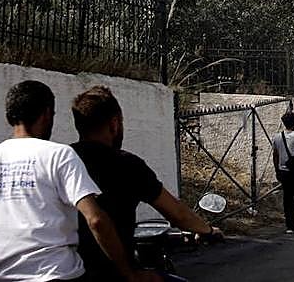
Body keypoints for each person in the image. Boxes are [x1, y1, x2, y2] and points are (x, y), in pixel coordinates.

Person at [0, 79, 160, 282]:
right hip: (54, 274)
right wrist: (129, 273)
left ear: (9, 116)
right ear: (46, 114)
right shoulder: (59, 155)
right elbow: (96, 220)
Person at [70, 86, 222, 279]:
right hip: (115, 273)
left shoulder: (62, 161)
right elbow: (177, 213)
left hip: (67, 272)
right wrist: (208, 230)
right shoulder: (127, 165)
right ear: (114, 124)